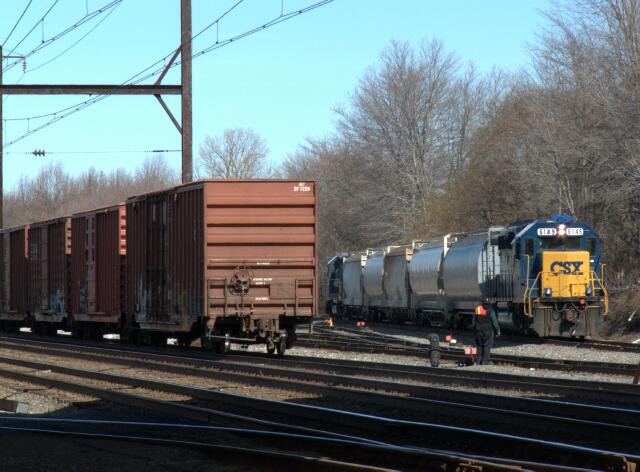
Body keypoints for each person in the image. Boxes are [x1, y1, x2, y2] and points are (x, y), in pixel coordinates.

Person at [471, 301, 501, 365]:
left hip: (478, 331)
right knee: (487, 345)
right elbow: (494, 322)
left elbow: (473, 322)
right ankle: (485, 361)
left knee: (479, 346)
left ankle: (478, 361)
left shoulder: (477, 309)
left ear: (482, 303)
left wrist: (474, 329)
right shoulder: (491, 311)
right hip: (488, 331)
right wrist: (497, 330)